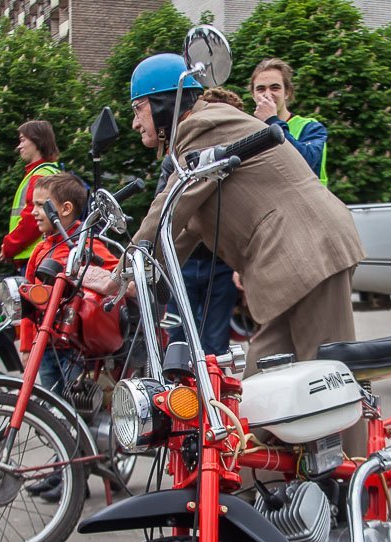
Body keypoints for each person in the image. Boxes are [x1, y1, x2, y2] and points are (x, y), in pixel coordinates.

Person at [129, 53, 365, 451]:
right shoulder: (195, 144)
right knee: (258, 392)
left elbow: (171, 206)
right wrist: (134, 279)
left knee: (327, 384)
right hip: (286, 269)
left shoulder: (203, 126)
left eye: (139, 109)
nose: (135, 122)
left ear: (166, 103)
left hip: (309, 251)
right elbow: (180, 231)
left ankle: (356, 491)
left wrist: (124, 269)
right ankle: (275, 498)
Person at [21, 172, 120, 502]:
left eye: (38, 205)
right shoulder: (41, 250)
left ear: (64, 209)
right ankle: (58, 471)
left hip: (74, 349)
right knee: (51, 409)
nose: (32, 212)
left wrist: (91, 275)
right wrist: (26, 344)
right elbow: (28, 302)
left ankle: (70, 475)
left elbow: (114, 274)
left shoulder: (87, 245)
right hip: (45, 344)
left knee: (72, 410)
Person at [155, 87, 244, 356]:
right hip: (185, 261)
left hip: (221, 264)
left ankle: (212, 395)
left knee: (215, 342)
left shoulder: (239, 157)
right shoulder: (176, 159)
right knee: (177, 339)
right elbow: (163, 204)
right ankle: (180, 394)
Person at [250, 57, 329, 186]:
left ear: (287, 93)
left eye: (275, 88)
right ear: (253, 95)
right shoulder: (248, 130)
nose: (267, 94)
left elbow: (306, 163)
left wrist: (272, 120)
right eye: (261, 89)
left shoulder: (311, 127)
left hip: (305, 203)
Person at [0, 121, 62, 273]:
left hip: (35, 257)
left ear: (37, 141)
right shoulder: (47, 171)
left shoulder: (40, 175)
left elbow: (31, 221)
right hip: (42, 255)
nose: (19, 147)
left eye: (22, 140)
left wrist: (8, 247)